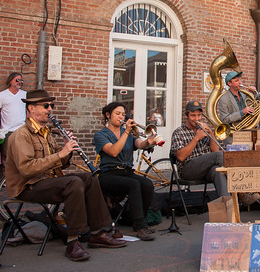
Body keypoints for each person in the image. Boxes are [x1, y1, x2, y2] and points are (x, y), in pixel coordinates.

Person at [5, 89, 126, 262]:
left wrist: (67, 150)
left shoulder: (47, 133)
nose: (50, 109)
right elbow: (26, 169)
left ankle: (99, 232)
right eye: (45, 106)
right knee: (73, 182)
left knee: (89, 178)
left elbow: (59, 162)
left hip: (48, 181)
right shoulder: (21, 135)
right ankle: (73, 240)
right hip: (27, 186)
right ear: (31, 109)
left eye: (51, 105)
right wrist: (60, 154)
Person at [93, 102, 157, 241]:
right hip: (108, 174)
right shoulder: (100, 135)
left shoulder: (128, 133)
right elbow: (114, 151)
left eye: (123, 114)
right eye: (117, 114)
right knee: (133, 184)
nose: (121, 117)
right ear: (108, 115)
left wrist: (149, 141)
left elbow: (140, 145)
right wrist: (127, 131)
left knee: (147, 184)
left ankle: (139, 220)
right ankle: (140, 226)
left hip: (126, 172)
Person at [171, 101, 231, 199]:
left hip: (205, 169)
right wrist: (196, 138)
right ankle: (241, 187)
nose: (197, 119)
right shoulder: (178, 132)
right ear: (186, 115)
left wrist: (211, 133)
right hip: (188, 169)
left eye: (199, 115)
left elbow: (215, 150)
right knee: (219, 155)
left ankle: (227, 206)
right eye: (193, 116)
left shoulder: (202, 130)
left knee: (217, 171)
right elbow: (181, 157)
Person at [0, 72, 27, 171]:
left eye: (21, 80)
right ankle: (6, 179)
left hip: (21, 130)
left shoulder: (24, 94)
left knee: (21, 155)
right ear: (10, 81)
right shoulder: (2, 95)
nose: (19, 82)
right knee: (6, 156)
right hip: (6, 130)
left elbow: (28, 111)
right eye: (17, 80)